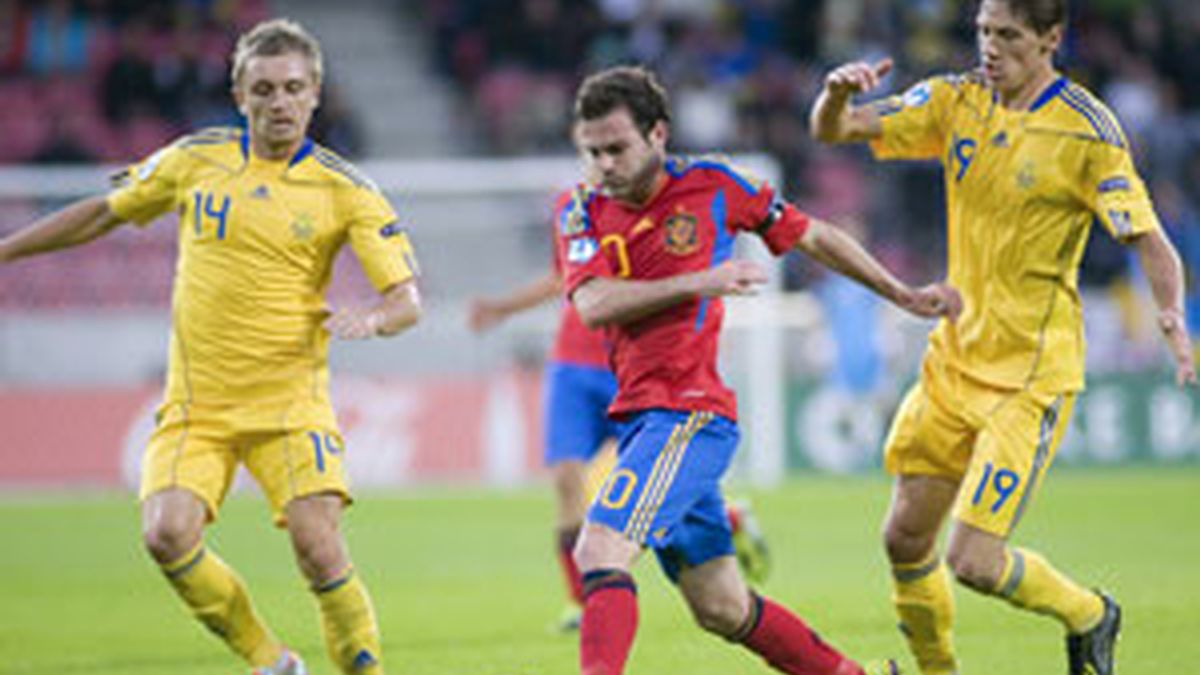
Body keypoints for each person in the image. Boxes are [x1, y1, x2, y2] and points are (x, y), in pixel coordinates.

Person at [0, 19, 422, 675]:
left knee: (317, 544)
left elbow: (406, 300)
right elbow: (104, 210)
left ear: (315, 94)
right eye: (263, 88)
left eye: (292, 88)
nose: (278, 102)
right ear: (238, 93)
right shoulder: (195, 159)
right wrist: (7, 249)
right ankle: (270, 660)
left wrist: (375, 318)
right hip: (197, 406)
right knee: (165, 534)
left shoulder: (347, 190)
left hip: (290, 405)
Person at [808, 1, 1196, 674]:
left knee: (973, 561)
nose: (989, 47)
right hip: (956, 358)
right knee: (903, 537)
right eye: (984, 32)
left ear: (1050, 38)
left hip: (1029, 375)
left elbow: (1149, 238)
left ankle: (1089, 613)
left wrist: (1171, 315)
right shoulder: (957, 99)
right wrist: (834, 95)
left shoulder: (1087, 130)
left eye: (1008, 36)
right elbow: (835, 132)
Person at [559, 64, 960, 675]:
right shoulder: (581, 211)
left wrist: (898, 292)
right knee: (721, 606)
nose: (605, 164)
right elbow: (592, 305)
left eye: (617, 148)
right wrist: (702, 280)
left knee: (599, 547)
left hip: (688, 414)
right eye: (593, 151)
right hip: (643, 417)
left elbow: (814, 236)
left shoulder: (714, 185)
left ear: (658, 134)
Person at [468, 188, 772, 632]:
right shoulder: (570, 208)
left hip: (632, 363)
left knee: (636, 489)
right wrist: (503, 308)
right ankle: (582, 602)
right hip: (572, 362)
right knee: (567, 481)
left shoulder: (664, 207)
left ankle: (725, 519)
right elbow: (564, 278)